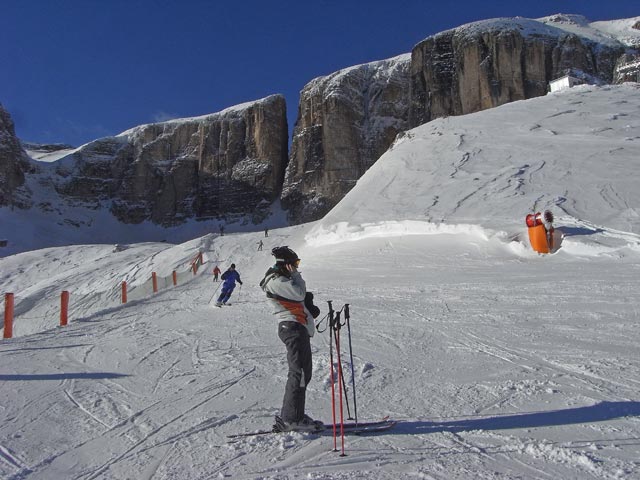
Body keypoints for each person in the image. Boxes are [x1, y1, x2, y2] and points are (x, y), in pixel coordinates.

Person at [260, 246, 322, 432]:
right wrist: (296, 276)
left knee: (303, 373)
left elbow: (298, 299)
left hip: (297, 327)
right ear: (286, 264)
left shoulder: (283, 279)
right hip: (291, 327)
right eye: (295, 263)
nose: (297, 267)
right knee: (299, 373)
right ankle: (291, 418)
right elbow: (299, 294)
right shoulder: (276, 280)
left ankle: (295, 415)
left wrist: (308, 310)